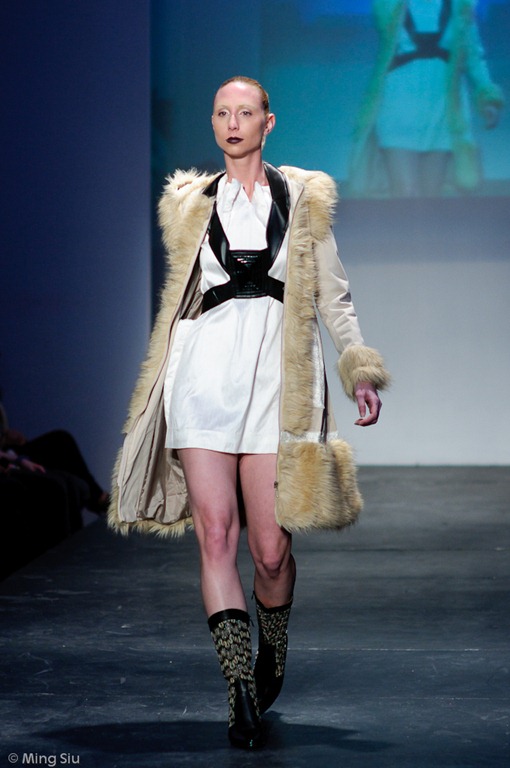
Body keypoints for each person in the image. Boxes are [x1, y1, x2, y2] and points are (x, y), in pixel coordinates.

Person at [109, 76, 390, 750]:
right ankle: (239, 689)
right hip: (203, 380)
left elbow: (333, 296)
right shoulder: (189, 203)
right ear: (213, 124)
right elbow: (182, 300)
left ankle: (274, 649)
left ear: (269, 122)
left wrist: (358, 368)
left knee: (270, 551)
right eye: (221, 113)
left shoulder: (303, 199)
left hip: (276, 384)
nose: (232, 122)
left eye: (245, 112)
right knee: (216, 535)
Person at [349, 0, 504, 197]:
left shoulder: (461, 5)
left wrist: (487, 97)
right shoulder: (390, 5)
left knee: (431, 194)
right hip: (399, 105)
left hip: (441, 108)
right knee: (405, 193)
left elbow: (473, 56)